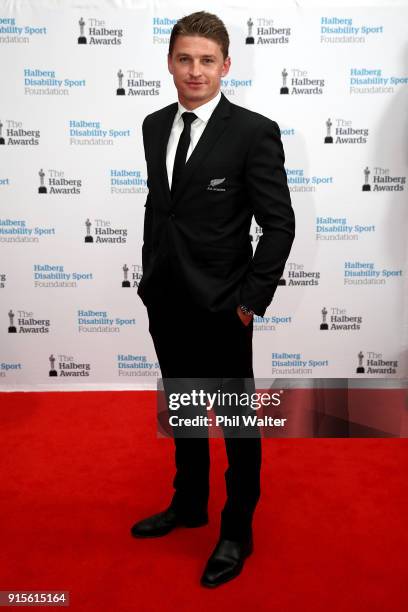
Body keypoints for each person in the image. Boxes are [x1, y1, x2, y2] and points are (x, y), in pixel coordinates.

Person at [131, 11, 295, 588]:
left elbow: (279, 225)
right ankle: (189, 503)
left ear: (226, 66)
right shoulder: (153, 125)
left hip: (225, 305)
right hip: (167, 299)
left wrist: (250, 300)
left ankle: (236, 528)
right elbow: (163, 209)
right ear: (170, 63)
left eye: (206, 60)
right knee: (183, 406)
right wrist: (151, 277)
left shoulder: (253, 131)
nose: (194, 70)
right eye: (184, 58)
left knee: (235, 420)